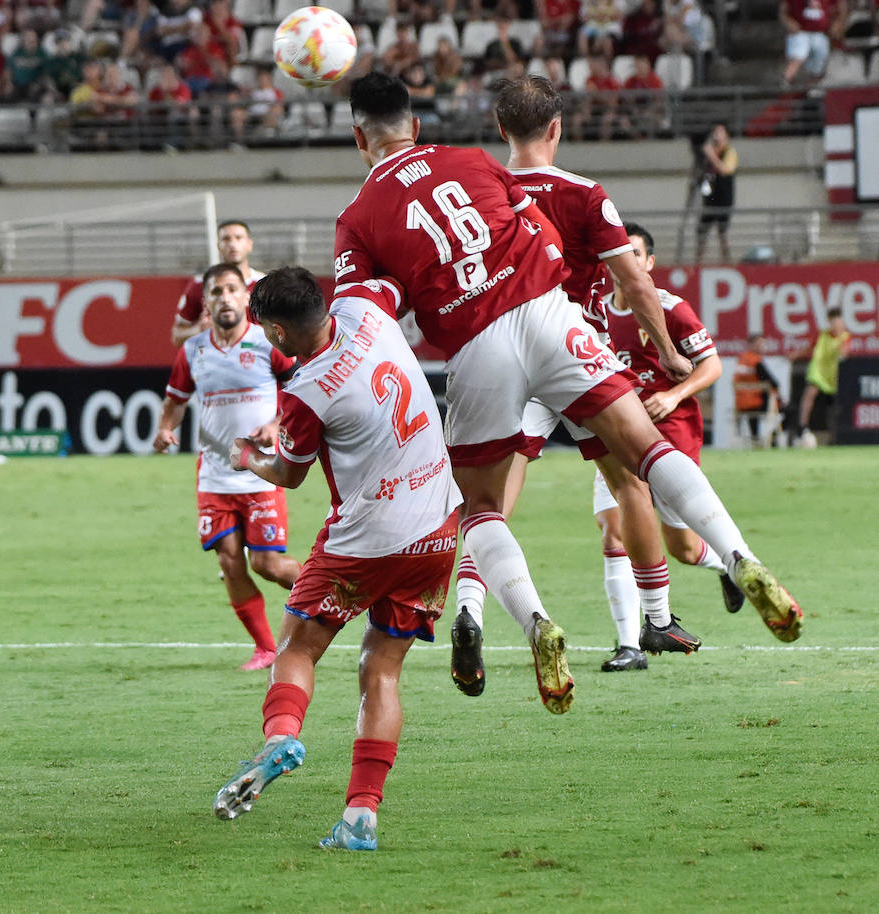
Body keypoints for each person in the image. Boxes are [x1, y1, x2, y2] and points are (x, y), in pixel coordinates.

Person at [335, 73, 803, 711]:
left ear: (358, 138)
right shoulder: (470, 163)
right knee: (641, 452)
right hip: (555, 317)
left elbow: (362, 324)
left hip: (477, 344)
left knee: (481, 507)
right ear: (415, 127)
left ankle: (534, 623)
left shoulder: (356, 218)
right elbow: (544, 238)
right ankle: (737, 557)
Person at [449, 75, 731, 689]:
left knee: (487, 505)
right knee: (631, 476)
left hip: (498, 356)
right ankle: (657, 616)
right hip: (571, 351)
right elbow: (634, 283)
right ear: (557, 129)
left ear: (501, 130)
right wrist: (668, 355)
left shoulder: (474, 191)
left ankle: (469, 610)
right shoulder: (583, 192)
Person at [212, 267, 462, 852]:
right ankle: (359, 820)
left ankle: (280, 739)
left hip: (367, 539)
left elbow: (289, 475)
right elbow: (386, 275)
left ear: (275, 332)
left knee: (299, 646)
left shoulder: (306, 391)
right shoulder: (369, 313)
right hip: (438, 529)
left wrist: (250, 456)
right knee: (382, 669)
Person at [595, 223, 741, 670]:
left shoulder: (670, 309)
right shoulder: (595, 312)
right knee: (612, 530)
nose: (628, 263)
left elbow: (712, 364)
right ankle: (629, 646)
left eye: (636, 255)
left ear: (650, 263)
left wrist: (675, 395)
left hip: (668, 435)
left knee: (679, 546)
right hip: (616, 435)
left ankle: (725, 566)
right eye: (621, 255)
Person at [154, 263, 302, 670]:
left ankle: (333, 593)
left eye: (232, 290)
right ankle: (266, 648)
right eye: (216, 291)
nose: (224, 298)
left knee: (266, 564)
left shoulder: (267, 342)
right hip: (214, 475)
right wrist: (166, 429)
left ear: (245, 298)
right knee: (229, 560)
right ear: (206, 302)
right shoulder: (193, 350)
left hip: (260, 471)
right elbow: (175, 400)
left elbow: (300, 386)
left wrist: (275, 424)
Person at [169, 220, 261, 345]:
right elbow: (176, 336)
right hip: (214, 361)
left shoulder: (264, 284)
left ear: (249, 244)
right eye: (226, 239)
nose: (233, 244)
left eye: (238, 238)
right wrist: (198, 329)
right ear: (218, 246)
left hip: (255, 359)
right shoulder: (199, 284)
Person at [791, 307, 850, 447]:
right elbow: (809, 348)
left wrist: (840, 341)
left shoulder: (845, 337)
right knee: (810, 393)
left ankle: (839, 432)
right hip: (818, 371)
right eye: (833, 320)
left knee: (835, 405)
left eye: (838, 320)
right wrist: (795, 355)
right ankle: (802, 426)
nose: (835, 323)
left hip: (833, 375)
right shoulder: (822, 335)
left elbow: (844, 354)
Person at [696, 123, 737, 264]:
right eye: (715, 132)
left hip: (724, 198)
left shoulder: (730, 152)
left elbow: (725, 170)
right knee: (702, 230)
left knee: (723, 233)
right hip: (709, 199)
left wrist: (711, 154)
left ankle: (726, 262)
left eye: (720, 132)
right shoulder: (709, 154)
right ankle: (698, 262)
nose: (717, 136)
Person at [734, 333, 784, 447]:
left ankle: (756, 439)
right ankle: (773, 438)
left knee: (756, 415)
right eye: (760, 344)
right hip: (756, 401)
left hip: (741, 403)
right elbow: (773, 382)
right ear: (751, 345)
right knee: (786, 410)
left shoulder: (741, 360)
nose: (762, 346)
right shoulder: (756, 361)